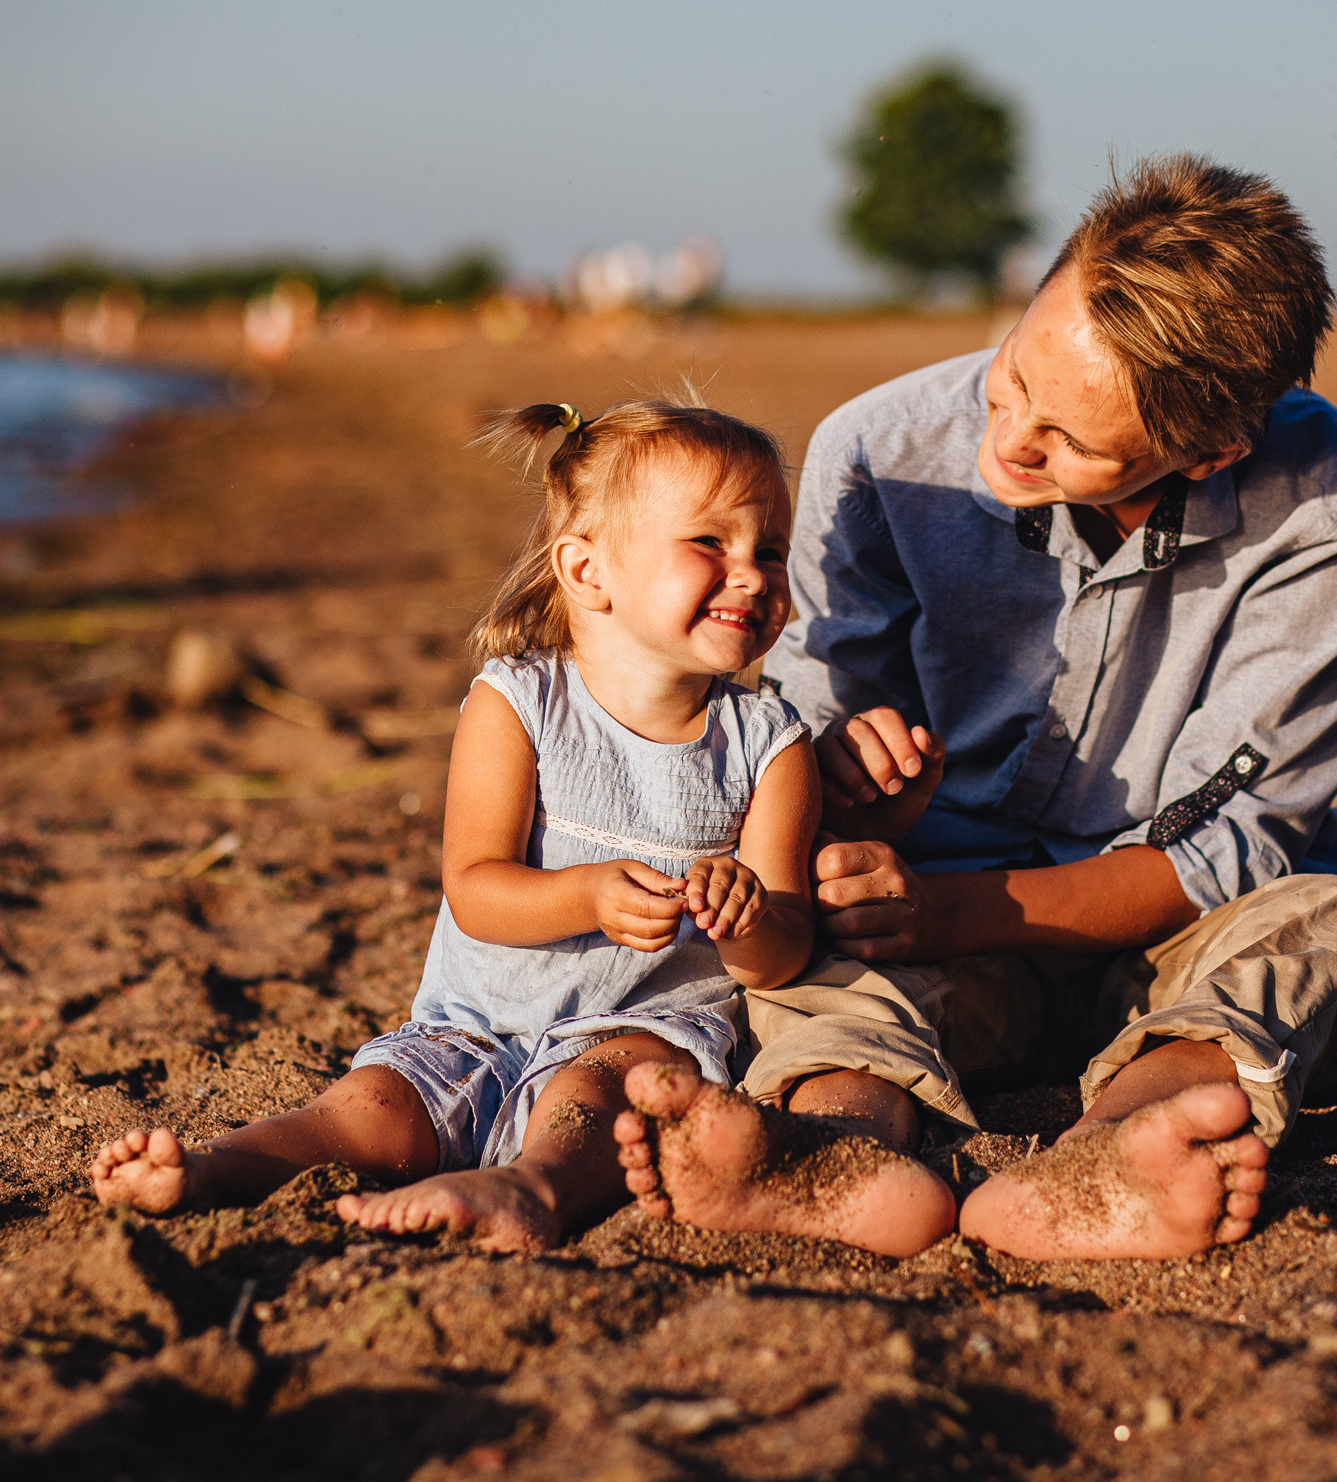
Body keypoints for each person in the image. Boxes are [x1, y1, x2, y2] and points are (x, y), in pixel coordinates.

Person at [615, 154, 1337, 1262]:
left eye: (1072, 439)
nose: (1011, 437)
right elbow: (794, 753)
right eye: (1016, 371)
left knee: (1324, 920)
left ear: (1212, 452)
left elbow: (1235, 841)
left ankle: (1116, 1152)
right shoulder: (878, 452)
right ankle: (832, 1144)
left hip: (1163, 934)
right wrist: (848, 788)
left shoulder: (1332, 501)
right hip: (913, 924)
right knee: (813, 961)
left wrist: (951, 912)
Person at [92, 396, 951, 1255]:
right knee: (370, 1107)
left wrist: (748, 917)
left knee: (597, 1098)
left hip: (641, 1029)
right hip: (475, 1022)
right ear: (587, 570)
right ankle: (217, 1167)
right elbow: (475, 889)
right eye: (710, 543)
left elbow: (785, 951)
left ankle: (531, 1186)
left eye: (769, 550)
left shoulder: (771, 744)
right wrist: (588, 894)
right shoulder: (518, 703)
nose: (754, 575)